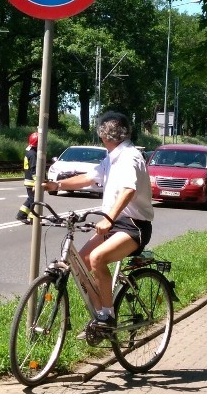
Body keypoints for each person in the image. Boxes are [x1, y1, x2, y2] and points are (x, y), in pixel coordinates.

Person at [42, 111, 155, 329]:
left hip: (133, 226)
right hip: (114, 225)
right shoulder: (111, 158)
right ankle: (100, 314)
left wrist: (109, 219)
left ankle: (108, 316)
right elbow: (89, 177)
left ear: (103, 135)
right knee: (82, 262)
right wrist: (57, 185)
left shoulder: (129, 157)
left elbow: (128, 190)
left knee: (97, 258)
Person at [16, 132, 40, 224]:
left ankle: (24, 215)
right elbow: (34, 169)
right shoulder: (33, 154)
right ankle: (30, 217)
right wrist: (37, 181)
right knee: (34, 200)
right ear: (38, 143)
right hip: (32, 182)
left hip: (29, 181)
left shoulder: (30, 152)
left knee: (32, 199)